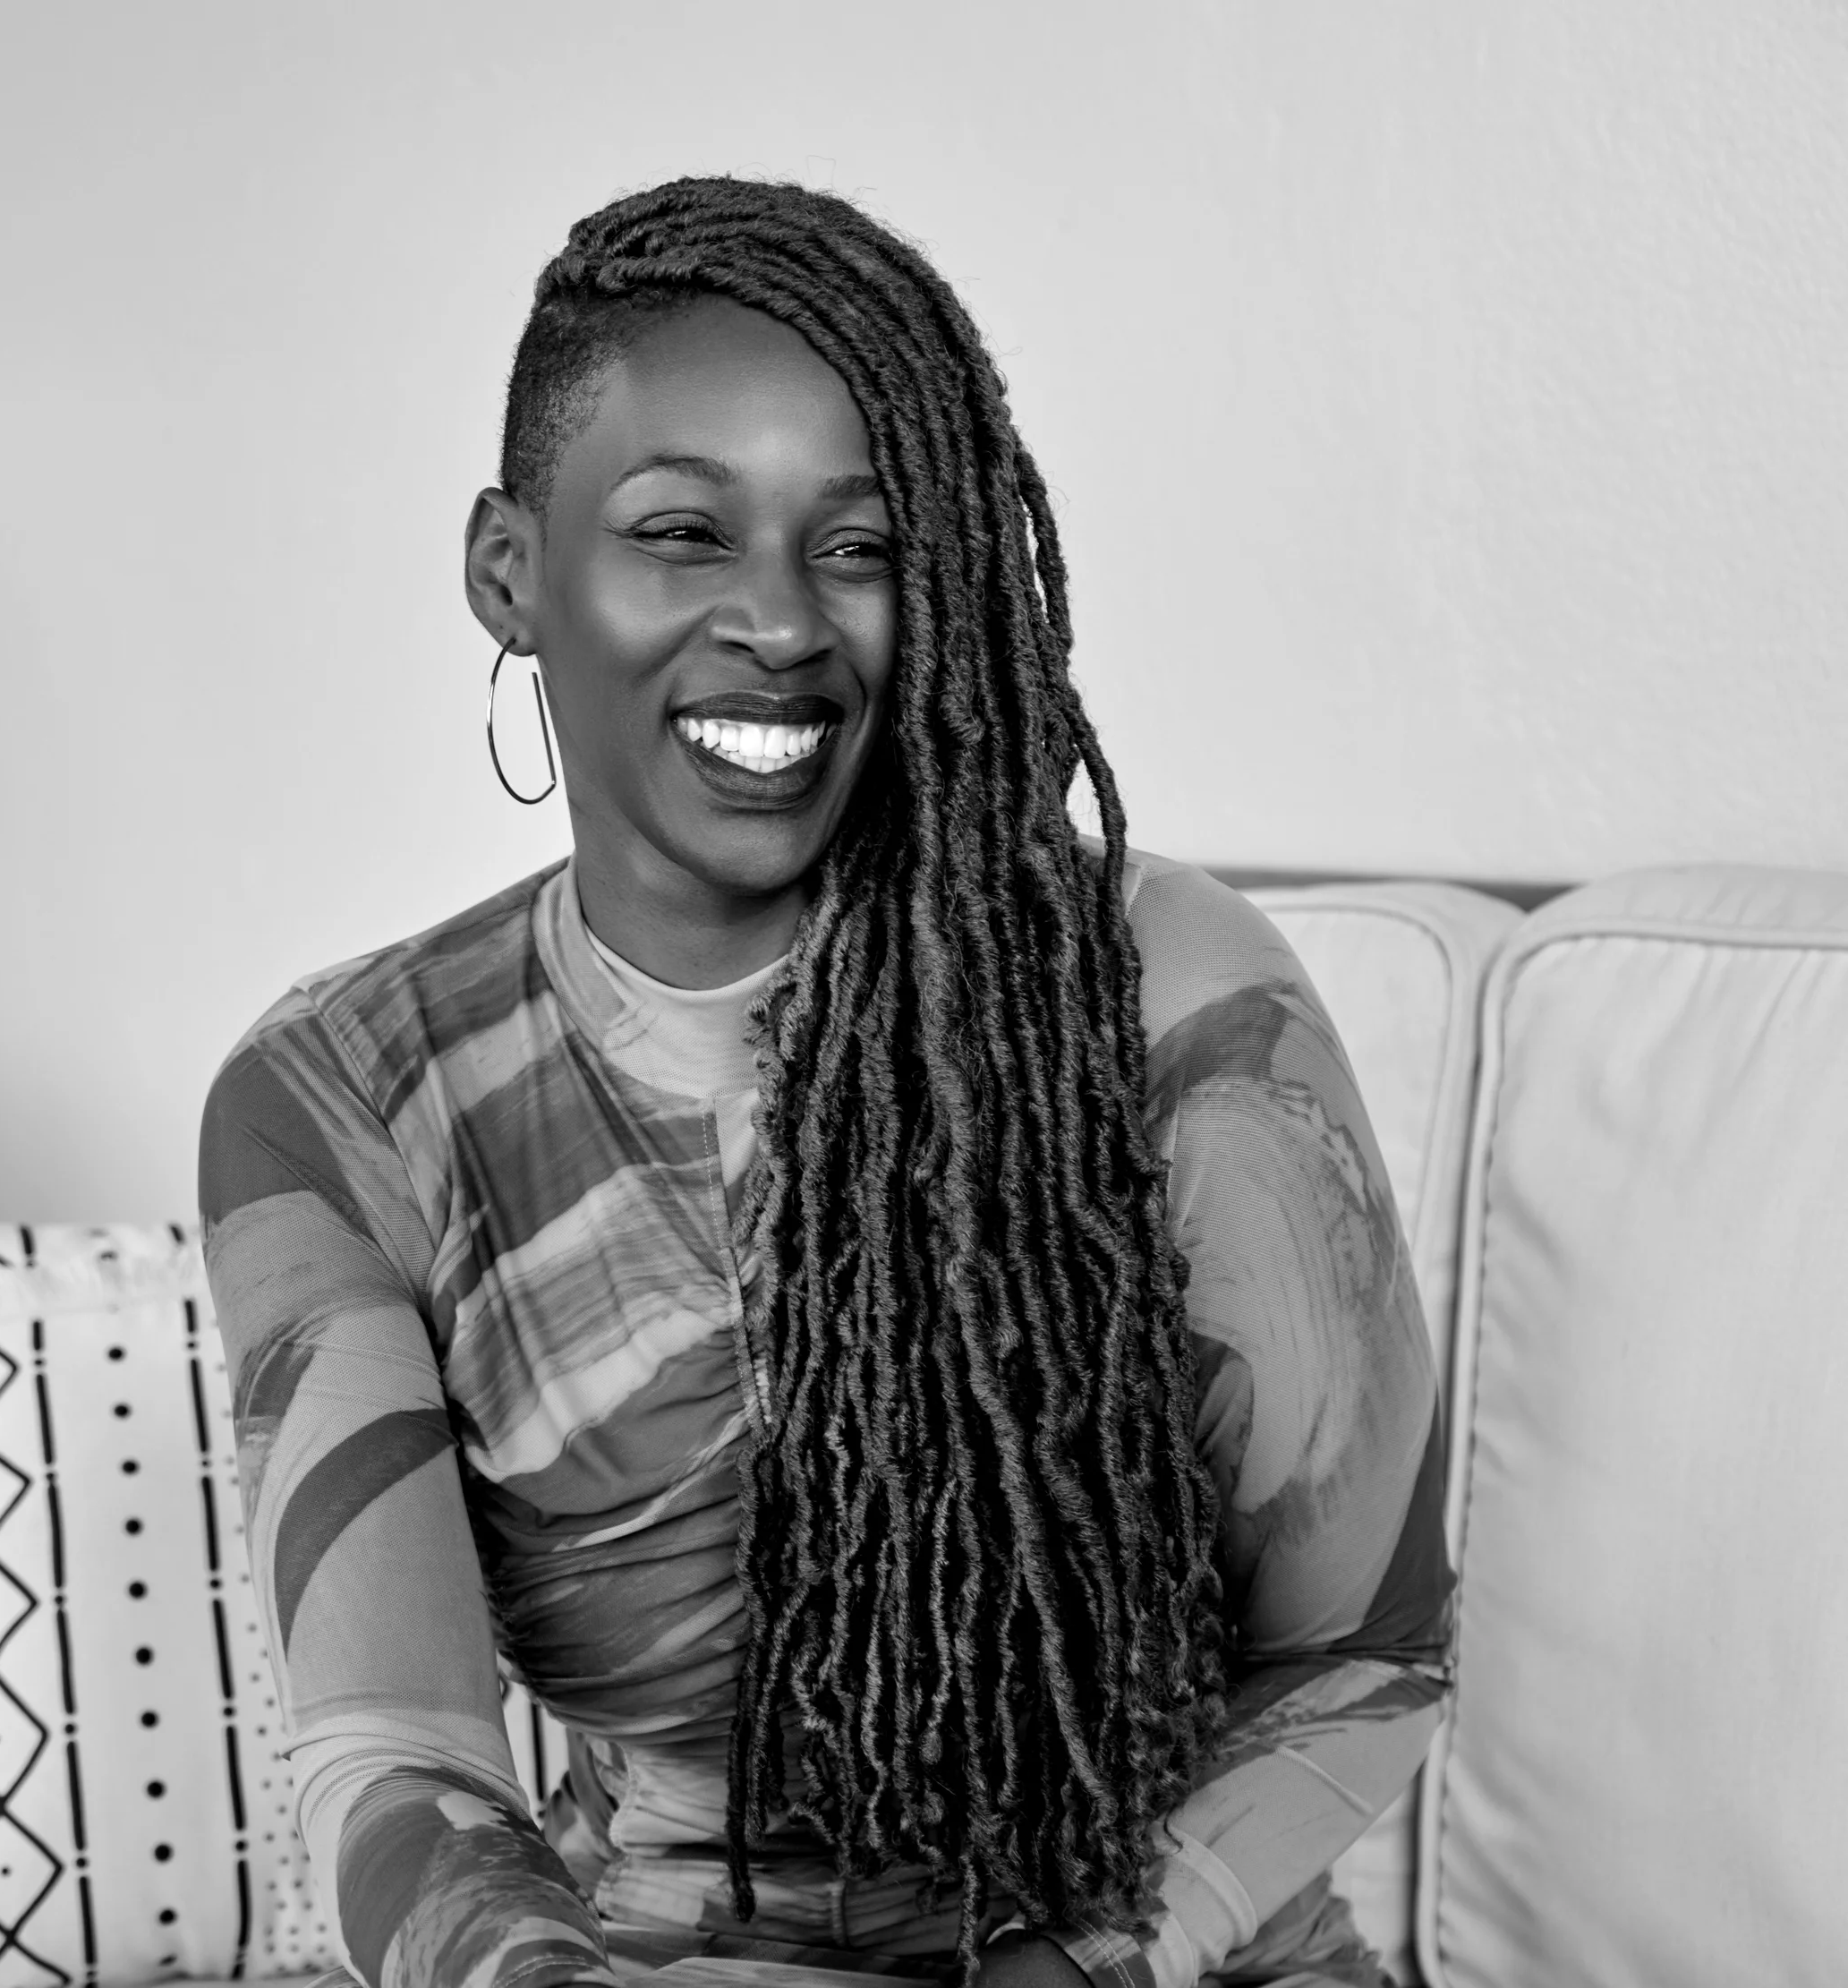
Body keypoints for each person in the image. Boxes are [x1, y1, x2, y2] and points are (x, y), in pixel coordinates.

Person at [200, 177, 1451, 1988]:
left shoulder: (1161, 991)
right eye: (681, 531)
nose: (778, 621)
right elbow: (397, 1747)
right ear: (508, 569)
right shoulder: (340, 1101)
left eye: (856, 547)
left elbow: (1361, 1654)